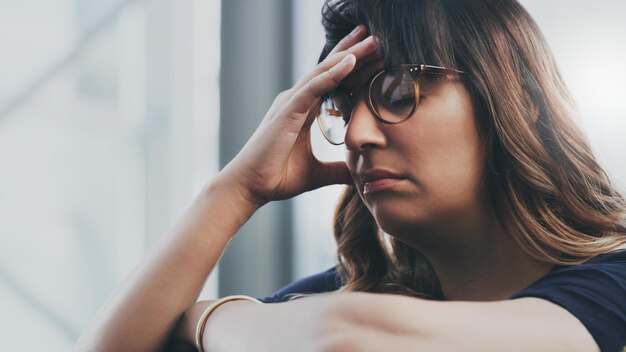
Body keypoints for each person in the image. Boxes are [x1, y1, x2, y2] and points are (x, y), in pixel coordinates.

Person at [74, 0, 626, 351]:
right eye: (342, 107)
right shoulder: (359, 289)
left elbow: (343, 339)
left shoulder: (615, 282)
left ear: (514, 98)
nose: (359, 134)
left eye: (396, 93)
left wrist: (207, 317)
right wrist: (236, 190)